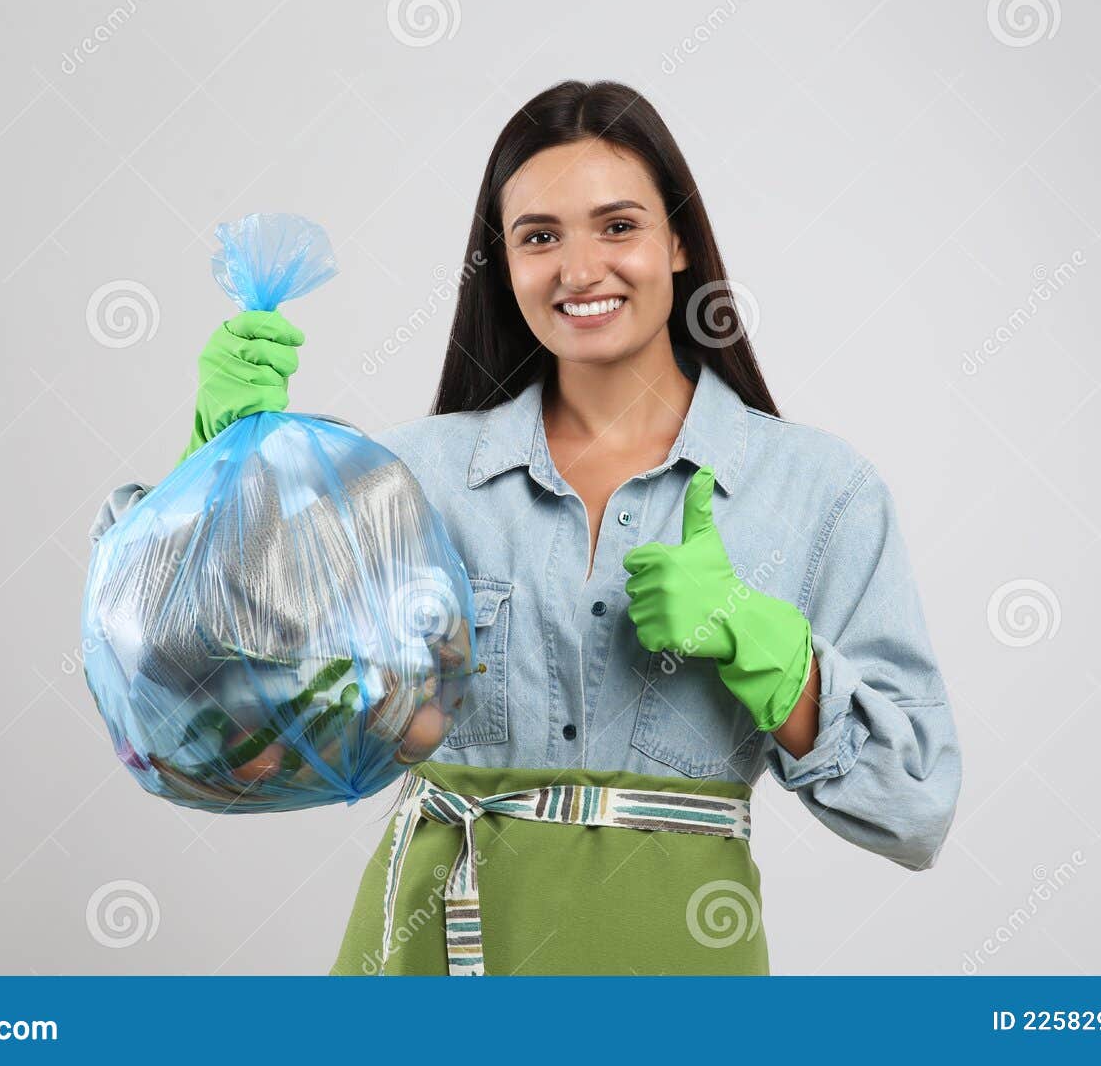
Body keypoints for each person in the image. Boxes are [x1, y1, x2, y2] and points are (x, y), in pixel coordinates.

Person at [89, 79, 962, 976]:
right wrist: (215, 483)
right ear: (502, 264)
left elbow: (916, 808)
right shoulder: (407, 480)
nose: (579, 270)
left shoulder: (820, 491)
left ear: (681, 242)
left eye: (618, 226)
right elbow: (186, 711)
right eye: (539, 237)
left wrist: (777, 658)